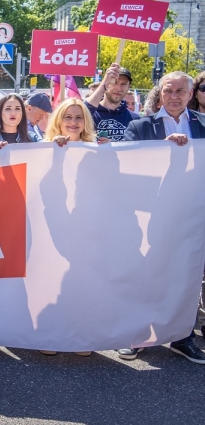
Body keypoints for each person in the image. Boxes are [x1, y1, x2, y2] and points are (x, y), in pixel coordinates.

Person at [121, 71, 205, 364]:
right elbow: (126, 165)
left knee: (186, 278)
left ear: (190, 94)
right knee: (147, 275)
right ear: (160, 93)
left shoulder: (203, 125)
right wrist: (160, 151)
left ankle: (182, 337)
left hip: (192, 216)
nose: (174, 96)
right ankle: (137, 335)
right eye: (168, 90)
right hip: (152, 216)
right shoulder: (141, 127)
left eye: (180, 91)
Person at [84, 63, 139, 141]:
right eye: (114, 82)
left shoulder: (135, 120)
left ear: (128, 87)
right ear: (106, 83)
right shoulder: (91, 115)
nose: (119, 88)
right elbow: (82, 111)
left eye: (123, 84)